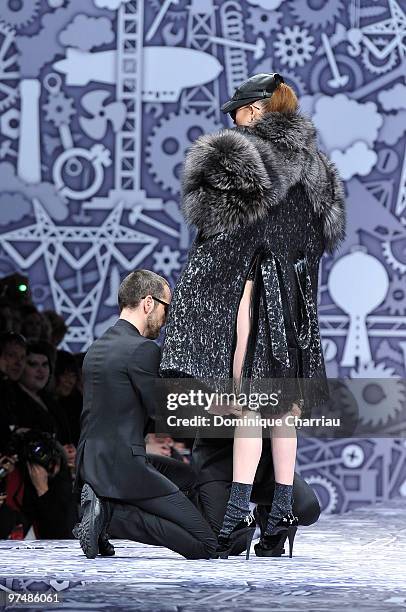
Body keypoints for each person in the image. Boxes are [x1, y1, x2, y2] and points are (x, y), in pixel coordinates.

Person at [160, 73, 346, 558]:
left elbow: (226, 259)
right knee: (285, 412)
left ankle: (238, 515)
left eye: (239, 110)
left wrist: (228, 343)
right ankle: (281, 518)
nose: (234, 118)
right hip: (297, 310)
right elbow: (315, 244)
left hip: (255, 301)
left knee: (247, 409)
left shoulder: (245, 160)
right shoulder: (318, 167)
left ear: (259, 109)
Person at [74, 269, 217, 560]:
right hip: (124, 467)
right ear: (148, 303)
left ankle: (106, 510)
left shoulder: (96, 347)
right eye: (167, 307)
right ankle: (111, 518)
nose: (167, 320)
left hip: (91, 462)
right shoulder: (142, 349)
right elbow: (163, 412)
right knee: (207, 545)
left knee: (188, 476)